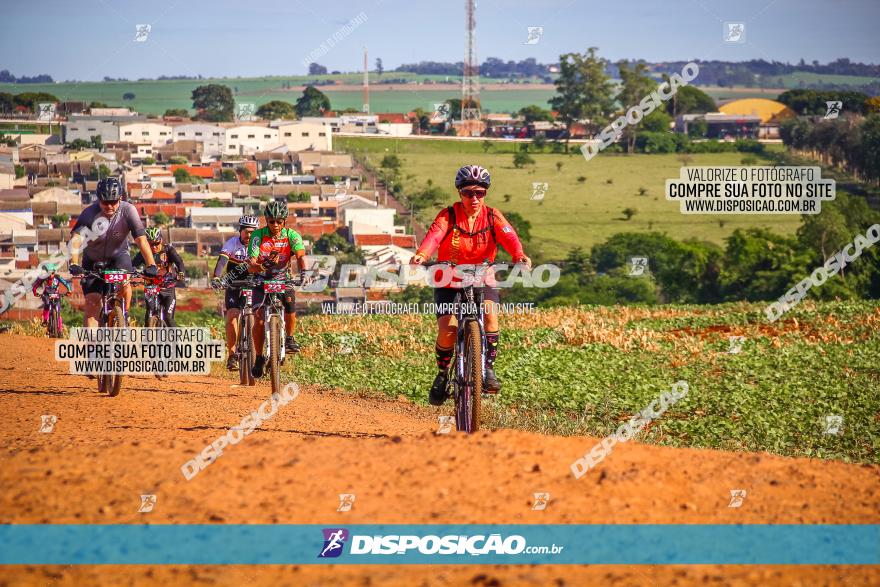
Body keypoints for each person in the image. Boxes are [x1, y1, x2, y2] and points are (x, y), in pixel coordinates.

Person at [410, 164, 530, 405]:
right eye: (468, 193)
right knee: (448, 331)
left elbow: (509, 236)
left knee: (491, 317)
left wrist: (519, 255)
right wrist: (421, 255)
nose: (474, 198)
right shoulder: (448, 215)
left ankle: (488, 369)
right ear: (459, 193)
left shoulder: (493, 216)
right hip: (448, 278)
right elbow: (434, 235)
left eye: (480, 193)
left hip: (482, 275)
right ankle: (443, 375)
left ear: (485, 194)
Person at [68, 177, 158, 329]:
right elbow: (76, 239)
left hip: (118, 256)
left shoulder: (128, 210)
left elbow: (141, 240)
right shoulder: (89, 213)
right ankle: (92, 347)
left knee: (125, 283)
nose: (109, 206)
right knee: (93, 305)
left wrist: (152, 264)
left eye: (113, 202)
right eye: (105, 202)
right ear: (99, 200)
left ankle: (124, 314)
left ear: (120, 198)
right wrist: (74, 263)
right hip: (92, 260)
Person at [246, 200, 307, 378]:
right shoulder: (258, 236)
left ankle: (289, 338)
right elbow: (251, 265)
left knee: (289, 304)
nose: (275, 225)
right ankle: (259, 356)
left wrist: (304, 272)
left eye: (279, 221)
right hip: (260, 278)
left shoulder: (292, 236)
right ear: (266, 221)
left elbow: (301, 256)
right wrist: (262, 266)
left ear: (284, 222)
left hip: (283, 278)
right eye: (272, 221)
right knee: (257, 319)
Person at [211, 215, 260, 370]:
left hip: (254, 282)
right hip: (234, 282)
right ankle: (232, 355)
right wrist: (217, 277)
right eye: (247, 232)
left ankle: (266, 353)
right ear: (240, 230)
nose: (249, 235)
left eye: (253, 232)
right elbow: (222, 262)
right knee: (232, 316)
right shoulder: (232, 243)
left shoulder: (261, 245)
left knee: (261, 315)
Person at [133, 227, 185, 327]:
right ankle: (147, 340)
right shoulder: (143, 253)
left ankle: (175, 342)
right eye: (150, 244)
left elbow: (179, 261)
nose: (154, 247)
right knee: (149, 313)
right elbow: (133, 265)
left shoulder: (168, 250)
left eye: (156, 243)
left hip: (168, 287)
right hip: (151, 286)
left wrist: (181, 272)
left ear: (161, 240)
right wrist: (134, 276)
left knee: (169, 318)